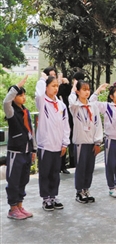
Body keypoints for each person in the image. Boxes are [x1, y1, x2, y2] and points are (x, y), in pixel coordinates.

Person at [35, 73, 71, 211]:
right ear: (46, 87)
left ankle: (53, 196)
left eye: (57, 86)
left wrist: (64, 143)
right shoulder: (42, 102)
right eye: (53, 86)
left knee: (55, 173)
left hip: (58, 145)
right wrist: (42, 79)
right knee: (45, 173)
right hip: (45, 145)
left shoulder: (61, 105)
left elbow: (66, 125)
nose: (56, 88)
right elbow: (39, 93)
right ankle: (46, 198)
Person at [3, 75, 36, 219]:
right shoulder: (11, 111)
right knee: (14, 180)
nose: (23, 98)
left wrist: (33, 149)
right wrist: (17, 86)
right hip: (16, 151)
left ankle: (20, 206)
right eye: (20, 95)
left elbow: (31, 131)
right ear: (14, 96)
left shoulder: (26, 111)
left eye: (24, 95)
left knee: (23, 179)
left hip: (26, 150)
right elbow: (6, 101)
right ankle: (12, 208)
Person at [91, 84, 116, 198]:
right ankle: (111, 187)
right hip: (111, 141)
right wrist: (98, 91)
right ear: (111, 96)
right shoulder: (107, 107)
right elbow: (92, 103)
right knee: (111, 165)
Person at [68, 80, 103, 204]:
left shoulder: (93, 106)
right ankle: (79, 191)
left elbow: (98, 124)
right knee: (81, 167)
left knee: (89, 167)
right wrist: (73, 89)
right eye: (83, 89)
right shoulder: (75, 106)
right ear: (78, 91)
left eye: (88, 89)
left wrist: (98, 142)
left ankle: (86, 189)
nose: (87, 92)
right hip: (81, 142)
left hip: (92, 142)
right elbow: (71, 101)